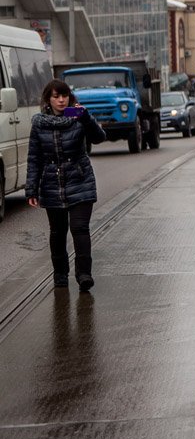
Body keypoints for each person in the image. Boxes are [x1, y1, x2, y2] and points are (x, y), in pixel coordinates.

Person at [25, 79, 107, 291]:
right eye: (56, 96)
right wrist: (31, 189)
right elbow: (34, 158)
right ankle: (60, 274)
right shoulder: (40, 123)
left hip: (80, 180)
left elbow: (99, 138)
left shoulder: (78, 117)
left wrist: (86, 117)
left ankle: (84, 274)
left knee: (80, 228)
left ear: (70, 97)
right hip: (52, 182)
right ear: (48, 99)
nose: (61, 100)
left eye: (65, 96)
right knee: (58, 231)